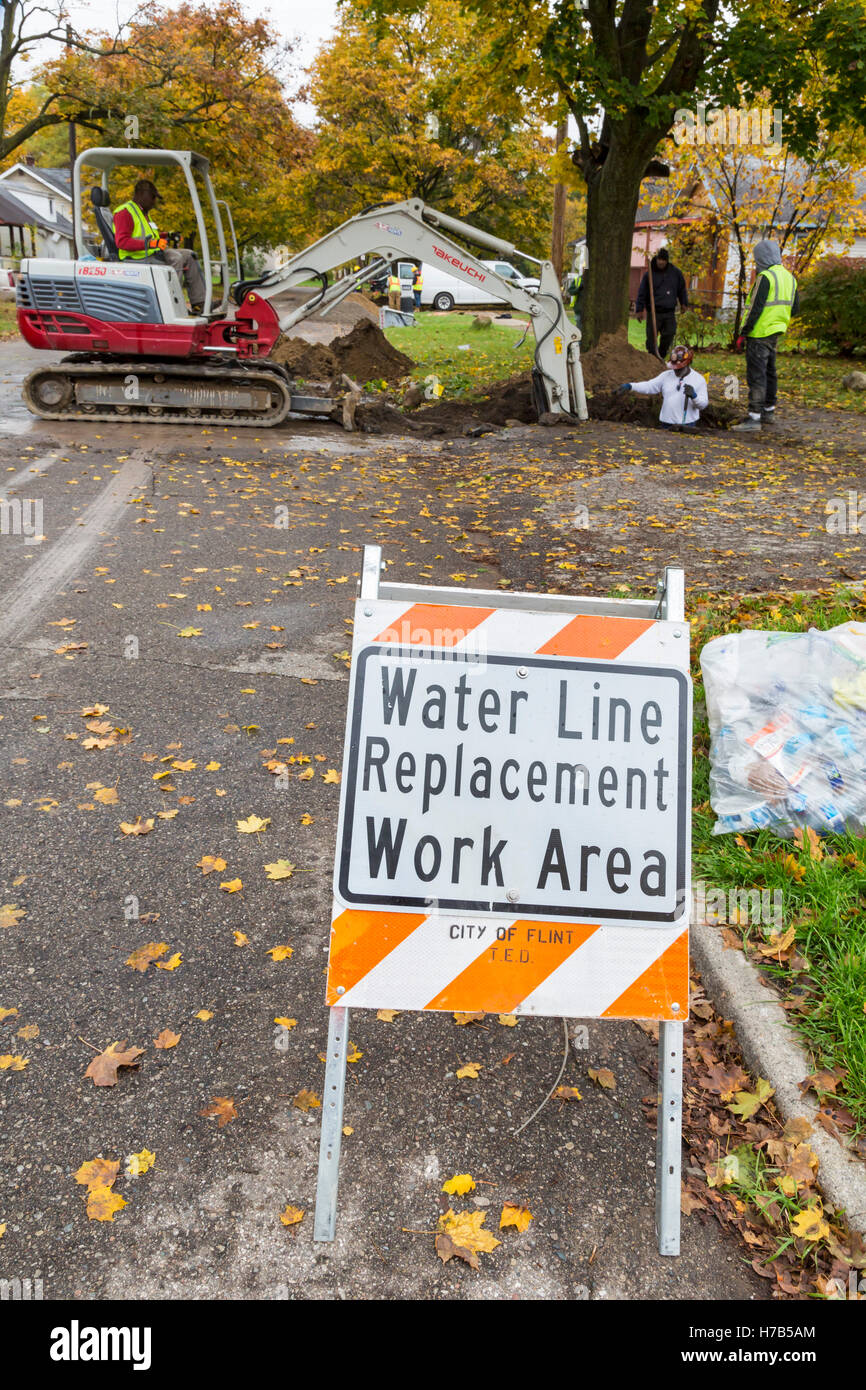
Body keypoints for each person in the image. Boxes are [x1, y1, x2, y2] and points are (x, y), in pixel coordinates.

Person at [731, 239, 799, 432]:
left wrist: (743, 334)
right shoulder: (790, 278)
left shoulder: (765, 277)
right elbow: (795, 309)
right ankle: (768, 411)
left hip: (759, 333)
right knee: (770, 372)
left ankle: (753, 418)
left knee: (757, 375)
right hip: (776, 332)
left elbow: (754, 308)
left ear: (761, 257)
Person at [113, 178, 206, 314]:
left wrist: (166, 235)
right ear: (142, 195)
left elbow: (150, 235)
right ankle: (173, 305)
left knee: (189, 255)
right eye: (152, 197)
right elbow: (122, 242)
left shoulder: (143, 212)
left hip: (152, 252)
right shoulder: (125, 212)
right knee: (176, 258)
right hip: (136, 258)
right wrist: (151, 244)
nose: (154, 202)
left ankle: (200, 304)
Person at [616, 344, 708, 429]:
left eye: (679, 368)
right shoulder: (666, 376)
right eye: (674, 368)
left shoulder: (698, 380)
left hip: (687, 425)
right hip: (666, 424)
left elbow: (703, 405)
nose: (676, 371)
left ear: (687, 363)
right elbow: (649, 386)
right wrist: (630, 386)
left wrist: (694, 396)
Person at [635, 248, 688, 359]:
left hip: (669, 312)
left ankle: (661, 356)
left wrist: (684, 303)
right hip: (654, 312)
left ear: (667, 261)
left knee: (669, 333)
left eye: (663, 260)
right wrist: (639, 310)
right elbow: (642, 292)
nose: (661, 262)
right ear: (657, 259)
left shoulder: (675, 273)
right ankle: (652, 358)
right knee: (651, 338)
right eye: (659, 259)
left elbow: (682, 289)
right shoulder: (649, 273)